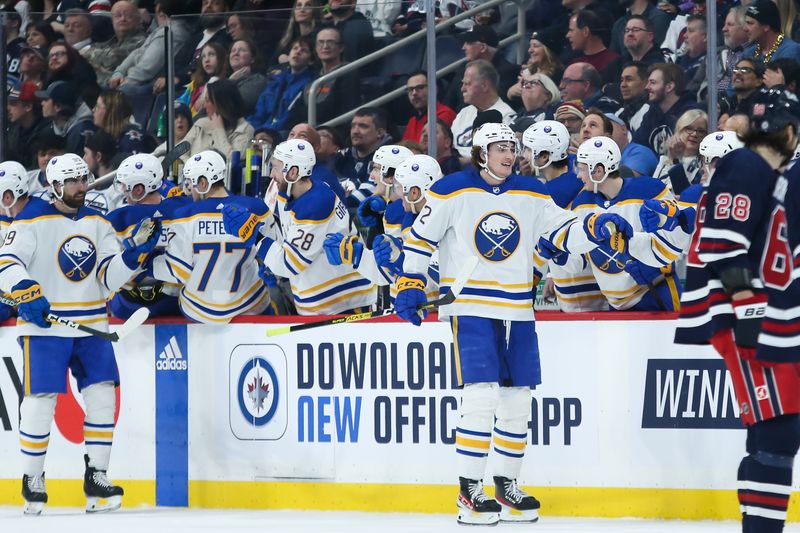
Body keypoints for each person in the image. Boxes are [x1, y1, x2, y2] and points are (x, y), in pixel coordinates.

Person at [393, 123, 626, 525]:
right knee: (481, 396)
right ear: (482, 152)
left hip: (518, 309)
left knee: (518, 399)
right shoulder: (450, 189)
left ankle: (506, 484)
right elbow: (419, 238)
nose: (508, 153)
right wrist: (411, 281)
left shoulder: (532, 192)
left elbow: (562, 230)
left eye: (511, 147)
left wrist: (593, 229)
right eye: (499, 147)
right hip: (470, 307)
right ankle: (469, 490)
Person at [0, 152, 159, 515]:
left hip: (91, 325)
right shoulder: (31, 219)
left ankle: (97, 474)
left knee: (104, 395)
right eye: (72, 181)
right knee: (40, 401)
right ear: (55, 186)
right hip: (45, 327)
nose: (80, 187)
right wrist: (26, 288)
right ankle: (33, 478)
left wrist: (132, 258)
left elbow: (107, 277)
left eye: (83, 179)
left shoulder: (97, 221)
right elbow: (7, 263)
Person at [674, 88, 800, 533]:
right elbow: (725, 246)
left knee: (771, 432)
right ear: (789, 131)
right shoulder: (747, 165)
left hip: (767, 316)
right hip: (749, 317)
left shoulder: (768, 171)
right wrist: (747, 311)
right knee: (778, 433)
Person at [225, 139, 377, 315]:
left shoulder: (316, 204)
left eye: (275, 168)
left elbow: (289, 264)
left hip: (345, 304)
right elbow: (288, 239)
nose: (272, 175)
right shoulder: (291, 194)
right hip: (321, 304)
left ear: (293, 172)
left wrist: (255, 236)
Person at [150, 150, 273, 323]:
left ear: (203, 183)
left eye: (191, 184)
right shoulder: (257, 208)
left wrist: (146, 262)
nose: (189, 190)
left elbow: (177, 271)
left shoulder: (184, 215)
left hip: (198, 310)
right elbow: (276, 256)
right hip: (250, 304)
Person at [522, 120, 606, 312]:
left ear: (543, 156)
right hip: (580, 279)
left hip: (579, 284)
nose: (523, 154)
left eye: (529, 148)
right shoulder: (575, 177)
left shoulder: (550, 193)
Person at [106, 153, 190, 319]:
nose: (122, 190)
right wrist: (167, 187)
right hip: (178, 301)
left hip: (130, 307)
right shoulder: (186, 208)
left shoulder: (118, 218)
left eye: (125, 186)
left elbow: (106, 270)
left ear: (138, 189)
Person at [451, 60, 516, 159]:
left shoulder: (506, 117)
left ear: (485, 86)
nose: (462, 89)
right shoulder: (464, 113)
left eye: (467, 83)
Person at [247, 37, 314, 133]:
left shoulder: (309, 83)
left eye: (304, 50)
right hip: (262, 130)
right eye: (295, 48)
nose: (297, 52)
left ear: (311, 60)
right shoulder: (276, 80)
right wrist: (252, 129)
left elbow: (289, 117)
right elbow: (259, 111)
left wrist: (265, 132)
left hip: (283, 133)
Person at [181, 79, 254, 160]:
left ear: (221, 104)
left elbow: (232, 161)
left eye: (208, 101)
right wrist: (192, 167)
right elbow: (177, 154)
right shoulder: (201, 124)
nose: (204, 106)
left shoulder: (245, 130)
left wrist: (219, 130)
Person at [83, 0, 146, 88]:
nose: (123, 19)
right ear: (112, 20)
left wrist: (87, 54)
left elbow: (112, 58)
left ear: (138, 20)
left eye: (128, 16)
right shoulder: (111, 41)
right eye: (118, 15)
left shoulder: (143, 41)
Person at [36, 80, 96, 156]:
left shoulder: (80, 131)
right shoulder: (53, 128)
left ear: (58, 106)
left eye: (46, 100)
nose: (42, 103)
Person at [402, 70, 456, 143]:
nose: (414, 93)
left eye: (420, 87)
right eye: (410, 89)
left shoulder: (445, 114)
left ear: (434, 89)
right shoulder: (412, 121)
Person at [741, 0, 800, 65]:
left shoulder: (790, 51)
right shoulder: (748, 53)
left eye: (750, 23)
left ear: (766, 26)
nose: (744, 29)